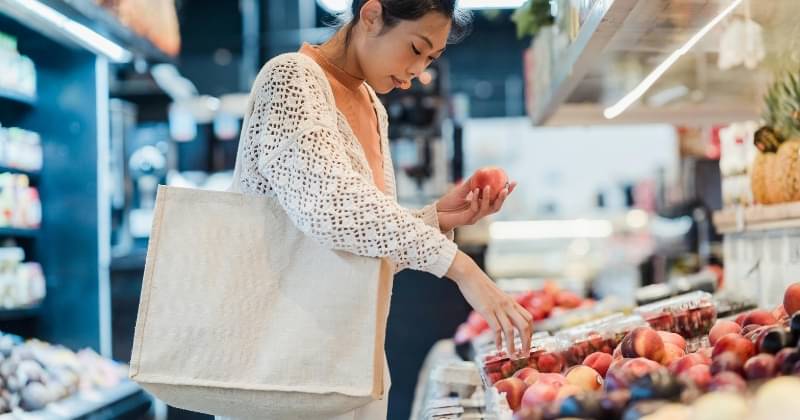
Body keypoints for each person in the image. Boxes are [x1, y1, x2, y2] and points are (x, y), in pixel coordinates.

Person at [226, 0, 533, 418]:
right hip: (282, 376)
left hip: (352, 371)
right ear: (371, 15)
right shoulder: (291, 78)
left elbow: (358, 246)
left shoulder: (371, 103)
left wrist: (437, 218)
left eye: (431, 57)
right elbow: (330, 208)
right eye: (416, 48)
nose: (417, 70)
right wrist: (460, 266)